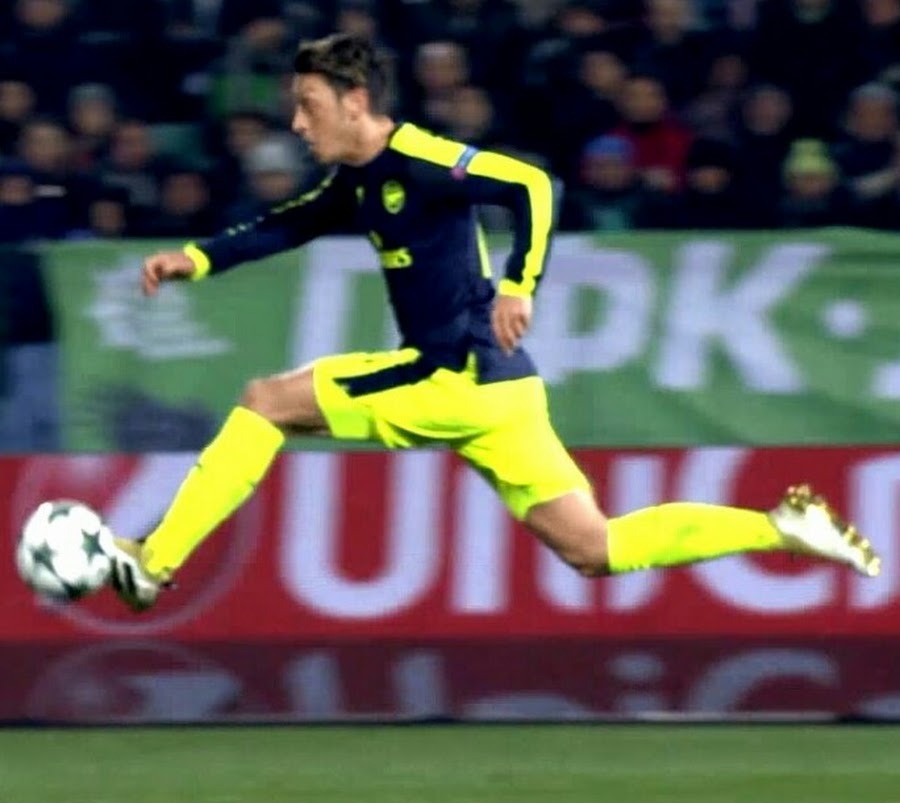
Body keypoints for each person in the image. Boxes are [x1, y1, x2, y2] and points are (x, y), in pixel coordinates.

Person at [105, 33, 880, 610]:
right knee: (596, 546)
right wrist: (196, 259)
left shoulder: (422, 160)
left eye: (308, 107)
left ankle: (155, 560)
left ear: (354, 102)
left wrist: (519, 284)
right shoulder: (359, 179)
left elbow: (531, 185)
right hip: (502, 392)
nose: (299, 125)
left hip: (453, 372)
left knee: (266, 400)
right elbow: (291, 222)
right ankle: (781, 526)